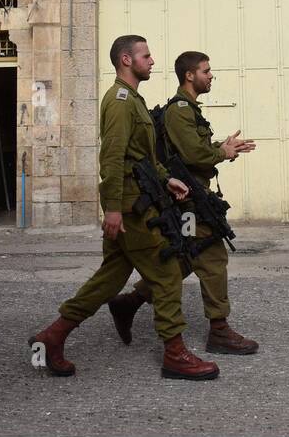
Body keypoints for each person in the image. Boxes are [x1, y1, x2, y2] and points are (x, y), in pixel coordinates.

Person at [30, 35, 220, 380]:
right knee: (166, 274)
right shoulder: (119, 102)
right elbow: (112, 158)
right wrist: (113, 210)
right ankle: (175, 354)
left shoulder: (132, 100)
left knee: (109, 279)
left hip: (139, 201)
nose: (152, 60)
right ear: (126, 60)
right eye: (146, 55)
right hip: (134, 211)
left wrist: (166, 179)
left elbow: (141, 157)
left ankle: (51, 337)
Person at [108, 51, 258, 354]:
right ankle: (219, 331)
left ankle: (129, 302)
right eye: (206, 71)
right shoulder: (179, 110)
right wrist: (221, 154)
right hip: (187, 199)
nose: (211, 75)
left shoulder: (188, 109)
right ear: (190, 76)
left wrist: (221, 148)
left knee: (188, 257)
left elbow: (194, 150)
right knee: (212, 255)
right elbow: (193, 155)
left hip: (191, 195)